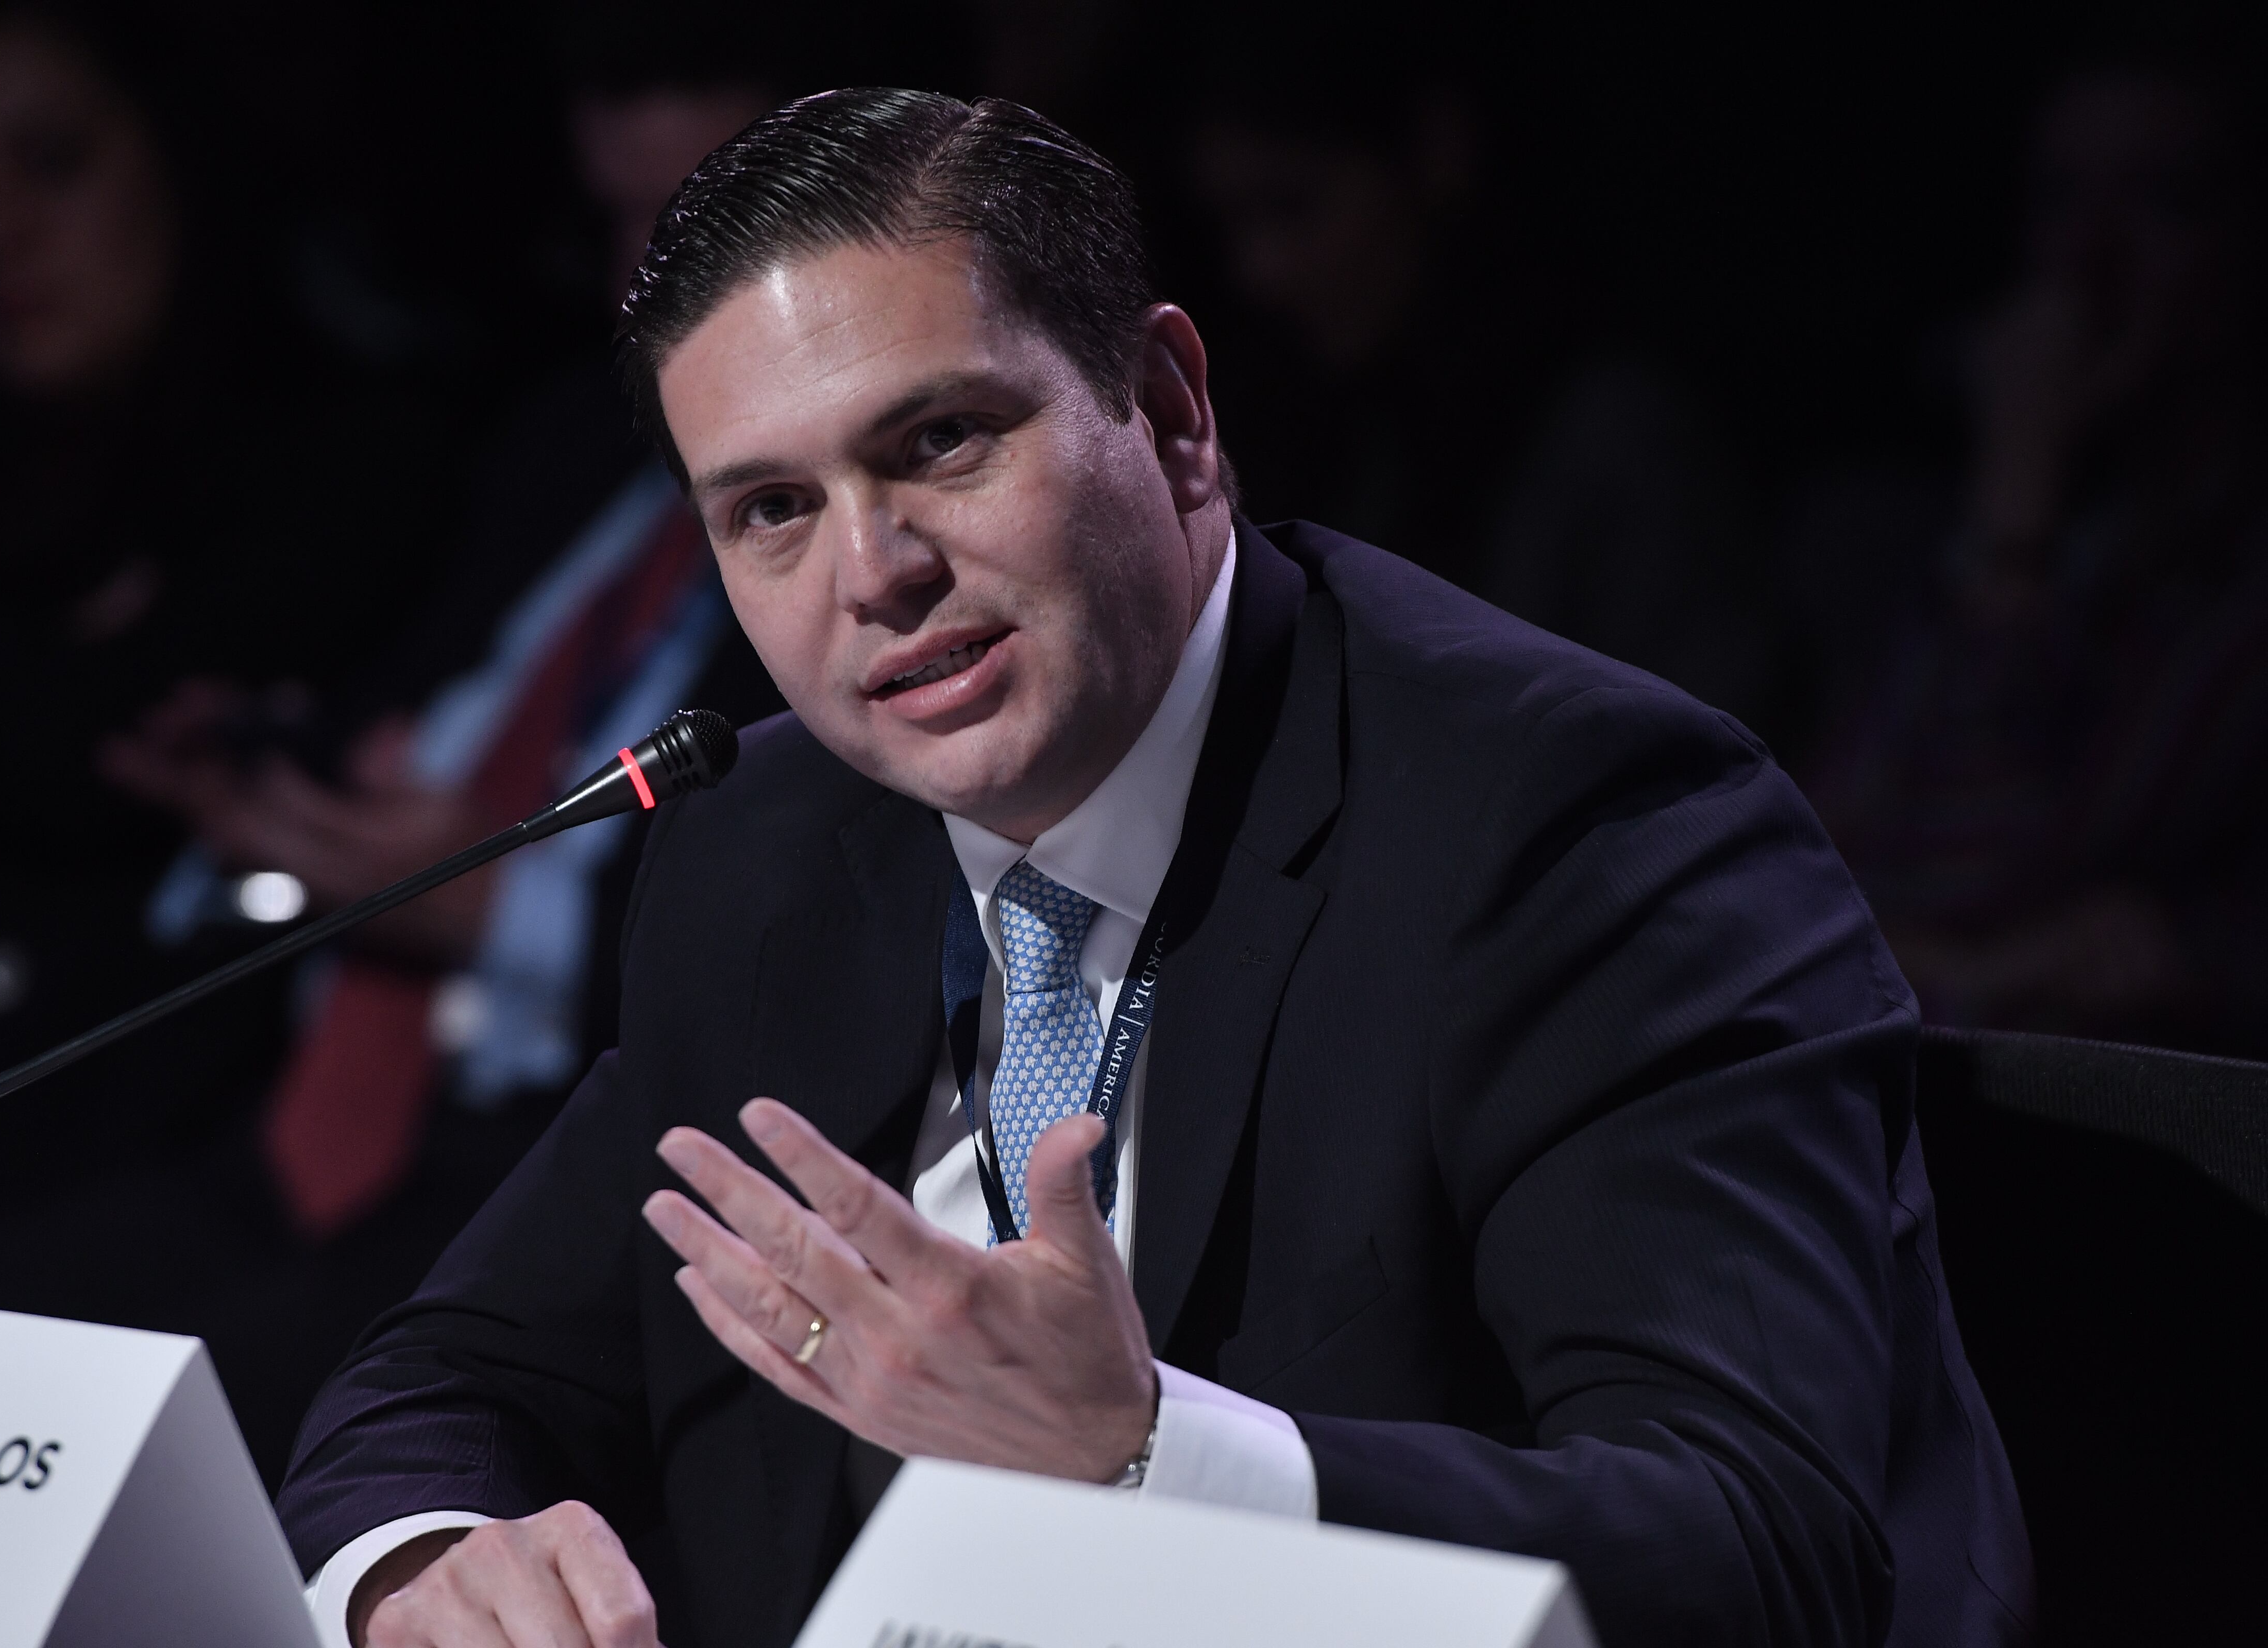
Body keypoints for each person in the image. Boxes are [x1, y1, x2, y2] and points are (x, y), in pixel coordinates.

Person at [277, 91, 2030, 1648]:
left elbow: (1765, 1552)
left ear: (1172, 410)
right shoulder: (771, 847)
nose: (872, 573)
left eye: (938, 441)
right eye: (773, 510)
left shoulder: (1576, 825)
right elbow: (452, 1379)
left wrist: (1147, 1459)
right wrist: (428, 1560)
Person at [0, 0, 456, 1261]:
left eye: (53, 162)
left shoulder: (350, 453)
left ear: (177, 151)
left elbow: (85, 736)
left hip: (153, 1174)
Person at [1796, 58, 2268, 1058]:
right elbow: (1786, 900)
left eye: (2163, 198)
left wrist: (2016, 490)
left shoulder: (2225, 601)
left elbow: (1956, 878)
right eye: (2062, 198)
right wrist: (1992, 970)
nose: (2089, 256)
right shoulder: (2048, 543)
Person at [1182, 46, 1771, 723]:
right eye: (1233, 224)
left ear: (1437, 151)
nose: (1259, 270)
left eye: (1295, 206)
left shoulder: (1614, 438)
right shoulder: (1345, 439)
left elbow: (1707, 738)